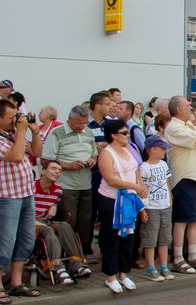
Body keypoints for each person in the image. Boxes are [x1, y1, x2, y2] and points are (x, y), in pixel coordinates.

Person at [0, 99, 42, 303]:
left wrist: (33, 131)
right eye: (10, 118)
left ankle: (16, 283)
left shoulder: (14, 134)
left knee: (26, 240)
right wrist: (22, 132)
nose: (14, 121)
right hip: (5, 197)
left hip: (25, 193)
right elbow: (16, 156)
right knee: (4, 241)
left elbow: (37, 152)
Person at [96, 118, 147, 293]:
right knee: (112, 238)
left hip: (129, 200)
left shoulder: (128, 150)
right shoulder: (106, 153)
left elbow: (136, 170)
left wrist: (140, 186)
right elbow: (110, 179)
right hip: (112, 200)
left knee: (128, 238)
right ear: (113, 135)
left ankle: (124, 273)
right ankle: (111, 276)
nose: (127, 136)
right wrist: (135, 187)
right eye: (124, 133)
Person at [164, 95, 196, 273]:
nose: (191, 107)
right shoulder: (174, 127)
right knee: (182, 220)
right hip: (185, 179)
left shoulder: (189, 125)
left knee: (195, 220)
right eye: (187, 105)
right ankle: (177, 258)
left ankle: (193, 255)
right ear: (179, 110)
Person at [42, 105, 97, 258]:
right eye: (79, 123)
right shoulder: (57, 133)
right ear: (70, 119)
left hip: (85, 183)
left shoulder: (88, 133)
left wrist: (92, 160)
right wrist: (67, 165)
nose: (82, 126)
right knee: (69, 219)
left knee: (86, 220)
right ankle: (67, 253)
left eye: (85, 122)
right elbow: (46, 160)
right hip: (66, 185)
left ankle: (83, 251)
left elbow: (94, 153)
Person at [33, 162, 89, 284]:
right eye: (53, 168)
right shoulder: (31, 187)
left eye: (59, 170)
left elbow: (60, 209)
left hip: (45, 221)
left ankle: (77, 263)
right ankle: (58, 268)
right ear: (43, 172)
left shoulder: (58, 190)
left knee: (64, 225)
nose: (58, 172)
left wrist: (54, 205)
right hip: (30, 222)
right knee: (48, 230)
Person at [139, 135, 174, 282]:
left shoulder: (163, 165)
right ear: (152, 149)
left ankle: (164, 266)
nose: (164, 151)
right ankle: (151, 268)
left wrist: (170, 199)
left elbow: (167, 183)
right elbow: (142, 189)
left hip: (165, 205)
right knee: (150, 238)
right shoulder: (144, 167)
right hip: (151, 206)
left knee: (164, 238)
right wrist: (143, 209)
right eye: (162, 148)